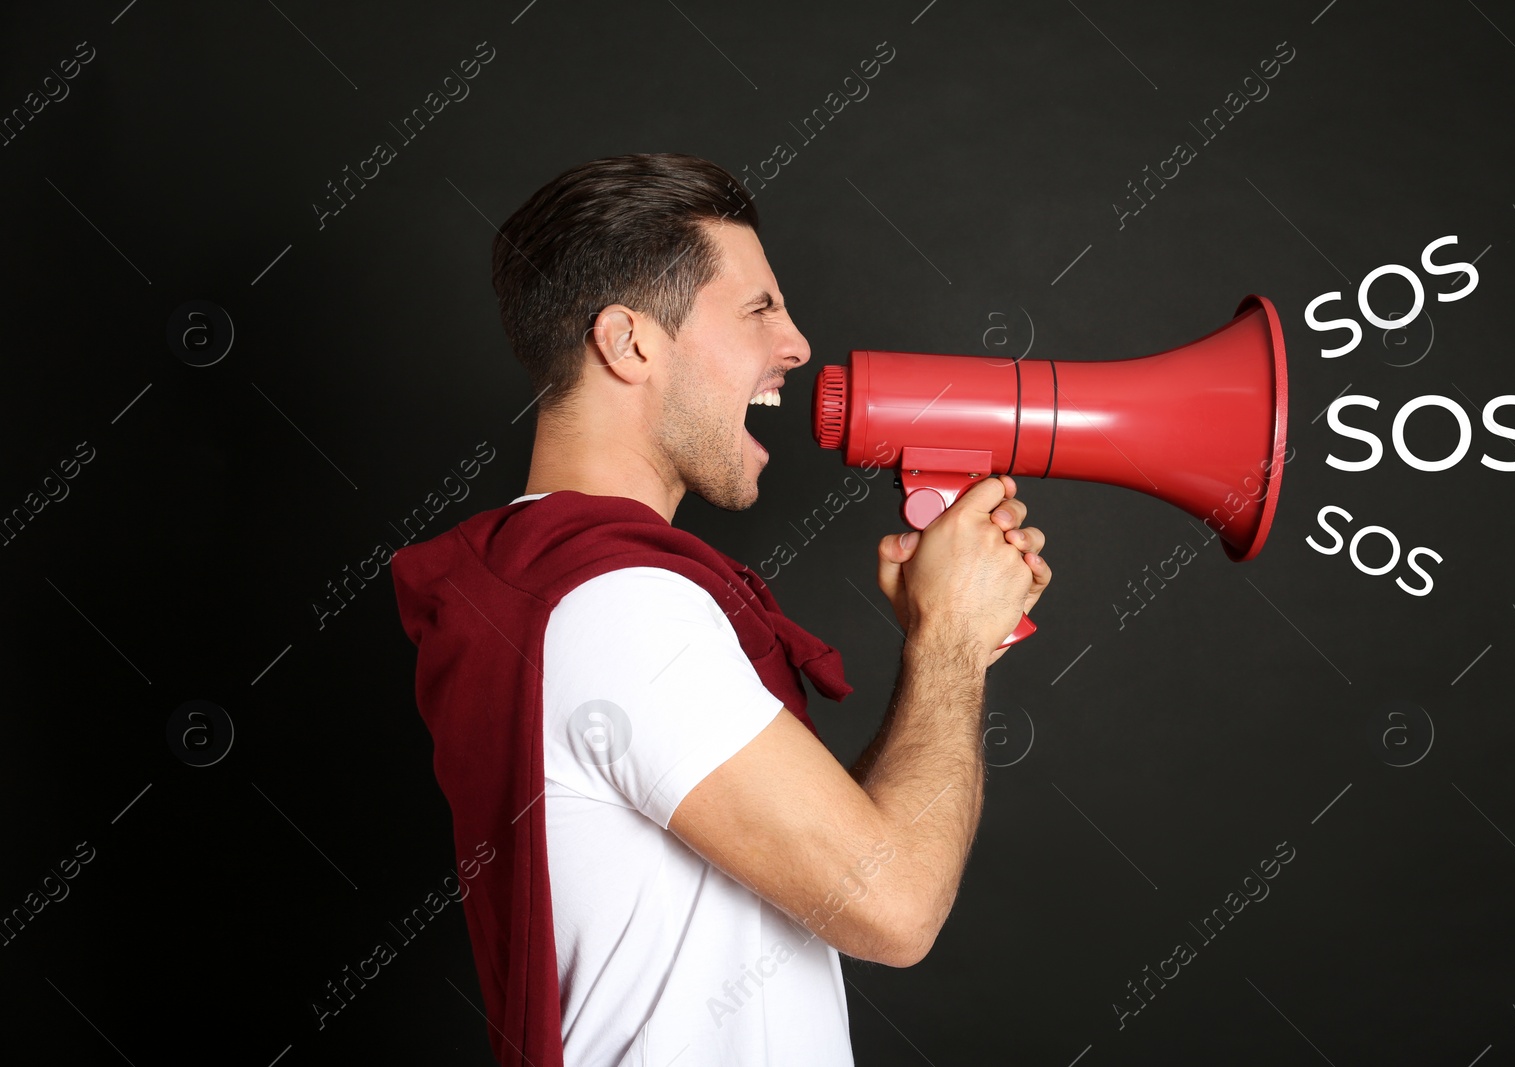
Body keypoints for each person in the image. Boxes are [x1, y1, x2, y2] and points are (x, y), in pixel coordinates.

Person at [391, 153, 1051, 1066]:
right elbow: (893, 903)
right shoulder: (617, 609)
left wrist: (947, 638)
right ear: (629, 343)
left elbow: (833, 855)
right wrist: (952, 643)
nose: (797, 345)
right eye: (758, 310)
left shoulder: (562, 589)